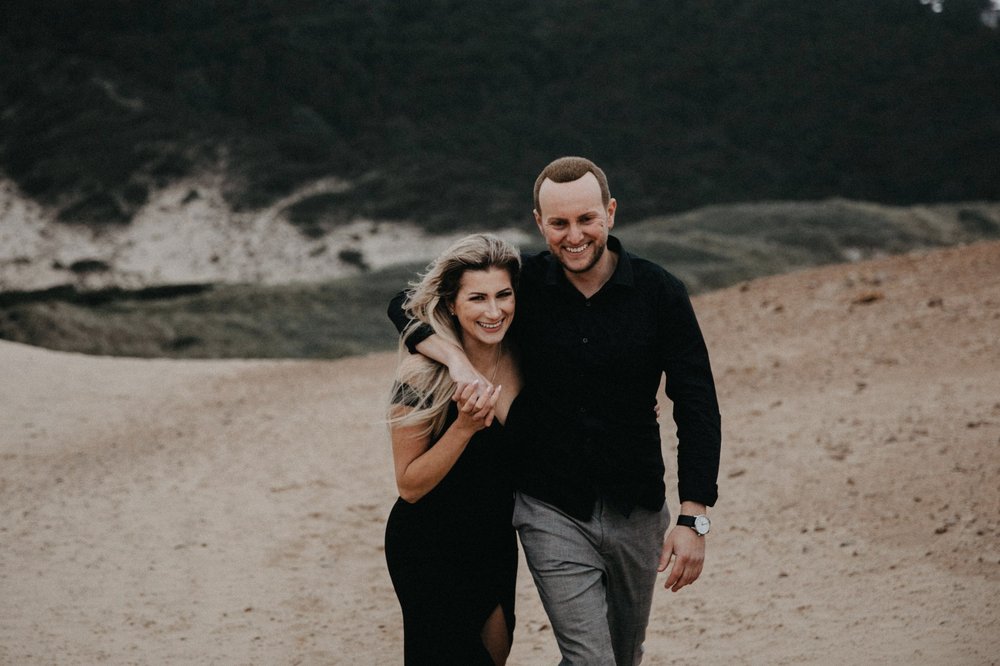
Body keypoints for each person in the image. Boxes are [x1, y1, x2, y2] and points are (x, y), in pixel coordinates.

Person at [389, 156, 722, 665]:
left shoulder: (661, 294)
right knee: (590, 660)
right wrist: (457, 362)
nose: (574, 236)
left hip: (637, 506)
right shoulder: (522, 285)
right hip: (551, 508)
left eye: (586, 219)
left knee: (621, 655)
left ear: (609, 213)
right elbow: (408, 303)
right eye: (559, 223)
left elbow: (696, 402)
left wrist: (694, 515)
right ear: (539, 223)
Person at [384, 233, 526, 665]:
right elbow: (409, 485)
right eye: (477, 298)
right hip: (429, 544)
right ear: (451, 304)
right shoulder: (422, 374)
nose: (493, 310)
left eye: (504, 295)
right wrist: (463, 427)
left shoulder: (528, 357)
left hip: (496, 540)